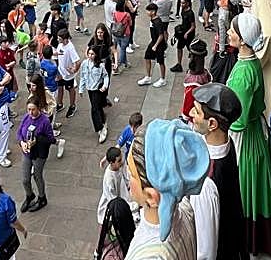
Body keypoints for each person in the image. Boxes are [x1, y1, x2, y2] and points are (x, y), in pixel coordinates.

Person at [224, 13, 271, 257]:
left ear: (244, 40)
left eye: (232, 31)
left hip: (245, 139)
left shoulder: (241, 74)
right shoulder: (252, 62)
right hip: (257, 131)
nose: (228, 33)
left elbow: (237, 120)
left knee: (245, 188)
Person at [124, 118, 207, 260]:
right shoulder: (184, 208)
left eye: (131, 173)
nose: (127, 175)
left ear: (151, 196)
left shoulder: (151, 257)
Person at [189, 82, 247, 260]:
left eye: (197, 111)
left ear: (212, 124)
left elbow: (204, 253)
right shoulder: (228, 144)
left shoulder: (205, 183)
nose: (191, 113)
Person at [16, 100, 57, 212]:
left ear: (38, 108)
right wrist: (22, 142)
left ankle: (42, 197)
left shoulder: (44, 121)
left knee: (37, 176)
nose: (30, 112)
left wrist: (37, 140)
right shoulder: (26, 118)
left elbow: (51, 139)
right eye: (29, 109)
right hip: (27, 152)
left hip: (39, 154)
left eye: (33, 109)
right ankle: (29, 195)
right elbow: (19, 133)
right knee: (25, 178)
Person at [78, 45, 111, 143]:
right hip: (89, 89)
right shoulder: (85, 63)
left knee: (94, 109)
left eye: (92, 54)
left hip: (97, 89)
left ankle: (100, 129)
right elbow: (83, 76)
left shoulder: (100, 65)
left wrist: (105, 86)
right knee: (97, 106)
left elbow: (105, 76)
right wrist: (81, 89)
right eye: (89, 54)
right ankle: (103, 120)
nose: (90, 56)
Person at [97, 145, 132, 225]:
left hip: (124, 195)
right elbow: (113, 199)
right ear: (111, 163)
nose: (122, 161)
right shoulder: (110, 179)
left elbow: (126, 173)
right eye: (119, 160)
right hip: (114, 204)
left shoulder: (120, 165)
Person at [136, 5, 168, 89]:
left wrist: (156, 46)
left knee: (161, 62)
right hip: (153, 42)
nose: (146, 12)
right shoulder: (152, 19)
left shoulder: (157, 22)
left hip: (158, 44)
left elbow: (161, 35)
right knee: (147, 57)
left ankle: (163, 79)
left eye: (148, 11)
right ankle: (148, 77)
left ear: (153, 12)